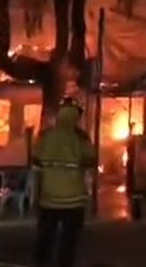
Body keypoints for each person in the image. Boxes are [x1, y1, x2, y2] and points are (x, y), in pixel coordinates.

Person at [32, 97, 97, 267]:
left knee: (46, 235)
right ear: (76, 116)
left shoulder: (45, 136)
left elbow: (36, 165)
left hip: (48, 198)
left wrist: (36, 195)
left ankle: (41, 262)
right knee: (70, 238)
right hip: (73, 200)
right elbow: (91, 161)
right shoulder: (81, 138)